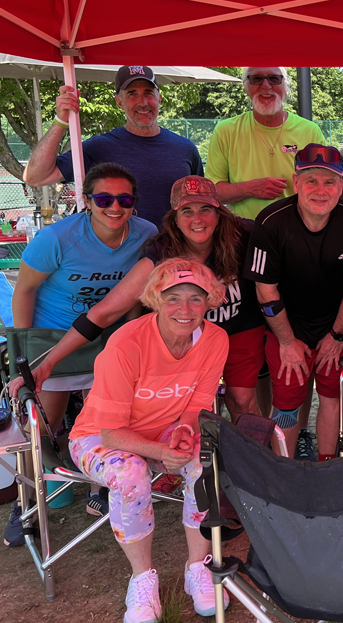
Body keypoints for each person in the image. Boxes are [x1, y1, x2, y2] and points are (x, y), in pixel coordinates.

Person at [11, 176, 266, 424]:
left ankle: (257, 464)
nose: (197, 219)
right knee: (182, 409)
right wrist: (47, 363)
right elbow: (105, 313)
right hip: (182, 339)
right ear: (174, 219)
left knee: (242, 400)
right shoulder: (162, 253)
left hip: (240, 328)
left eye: (206, 209)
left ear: (219, 213)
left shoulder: (246, 235)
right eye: (187, 211)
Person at [66, 259, 230, 621]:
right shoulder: (126, 344)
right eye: (173, 298)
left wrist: (185, 433)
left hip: (163, 429)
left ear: (210, 301)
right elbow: (110, 432)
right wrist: (159, 452)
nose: (184, 309)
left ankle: (197, 568)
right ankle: (142, 581)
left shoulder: (216, 339)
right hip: (97, 436)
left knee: (206, 460)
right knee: (131, 475)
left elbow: (199, 404)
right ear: (155, 298)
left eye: (195, 299)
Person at [5, 162, 156, 544]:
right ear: (87, 200)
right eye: (104, 198)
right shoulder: (57, 238)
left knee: (106, 419)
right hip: (54, 335)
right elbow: (24, 291)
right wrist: (26, 347)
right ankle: (26, 502)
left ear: (134, 203)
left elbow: (137, 294)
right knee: (42, 423)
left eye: (124, 199)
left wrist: (129, 336)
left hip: (107, 336)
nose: (115, 207)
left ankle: (100, 487)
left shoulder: (146, 234)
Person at [245, 144, 343, 462]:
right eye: (312, 180)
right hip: (287, 326)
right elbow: (266, 291)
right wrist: (287, 342)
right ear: (296, 182)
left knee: (331, 395)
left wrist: (336, 336)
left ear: (342, 185)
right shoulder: (271, 222)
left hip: (335, 324)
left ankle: (327, 464)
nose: (321, 190)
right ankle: (285, 470)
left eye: (329, 181)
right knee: (287, 400)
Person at [23, 66, 202, 228]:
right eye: (132, 93)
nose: (143, 102)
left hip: (173, 257)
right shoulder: (100, 147)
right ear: (119, 101)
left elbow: (200, 202)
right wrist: (61, 120)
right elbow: (35, 176)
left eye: (148, 93)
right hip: (118, 258)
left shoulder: (184, 148)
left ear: (159, 98)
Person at [205, 66, 325, 221]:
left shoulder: (310, 131)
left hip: (298, 232)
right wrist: (251, 189)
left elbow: (324, 187)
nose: (266, 86)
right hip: (244, 233)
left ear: (286, 87)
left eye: (274, 79)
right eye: (256, 79)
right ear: (246, 88)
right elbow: (212, 191)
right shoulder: (226, 131)